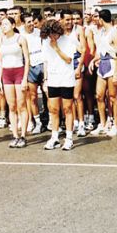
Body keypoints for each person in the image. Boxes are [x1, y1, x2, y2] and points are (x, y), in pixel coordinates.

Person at [41, 19, 77, 151]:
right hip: (53, 79)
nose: (52, 37)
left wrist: (56, 48)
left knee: (67, 109)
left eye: (54, 34)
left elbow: (68, 59)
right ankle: (54, 137)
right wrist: (45, 79)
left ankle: (69, 138)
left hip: (66, 78)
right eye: (49, 34)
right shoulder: (45, 42)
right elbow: (45, 61)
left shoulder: (68, 40)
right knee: (53, 109)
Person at [0, 17, 31, 147]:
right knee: (11, 106)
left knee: (21, 105)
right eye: (2, 24)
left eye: (6, 24)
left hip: (19, 72)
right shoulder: (1, 40)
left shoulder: (20, 38)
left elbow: (27, 59)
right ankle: (15, 136)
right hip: (6, 74)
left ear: (13, 25)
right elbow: (1, 61)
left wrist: (25, 78)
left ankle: (23, 136)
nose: (3, 26)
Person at [89, 9, 117, 137]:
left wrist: (115, 74)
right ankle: (103, 124)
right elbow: (101, 51)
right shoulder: (102, 32)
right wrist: (93, 60)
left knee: (113, 97)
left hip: (112, 64)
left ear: (101, 19)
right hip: (102, 65)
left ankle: (115, 125)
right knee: (99, 96)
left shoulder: (115, 32)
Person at [23, 13, 45, 135]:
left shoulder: (40, 33)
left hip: (43, 65)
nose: (32, 24)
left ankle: (52, 121)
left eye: (32, 21)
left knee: (48, 94)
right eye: (29, 22)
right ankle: (38, 122)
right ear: (23, 23)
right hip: (30, 67)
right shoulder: (21, 36)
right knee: (32, 97)